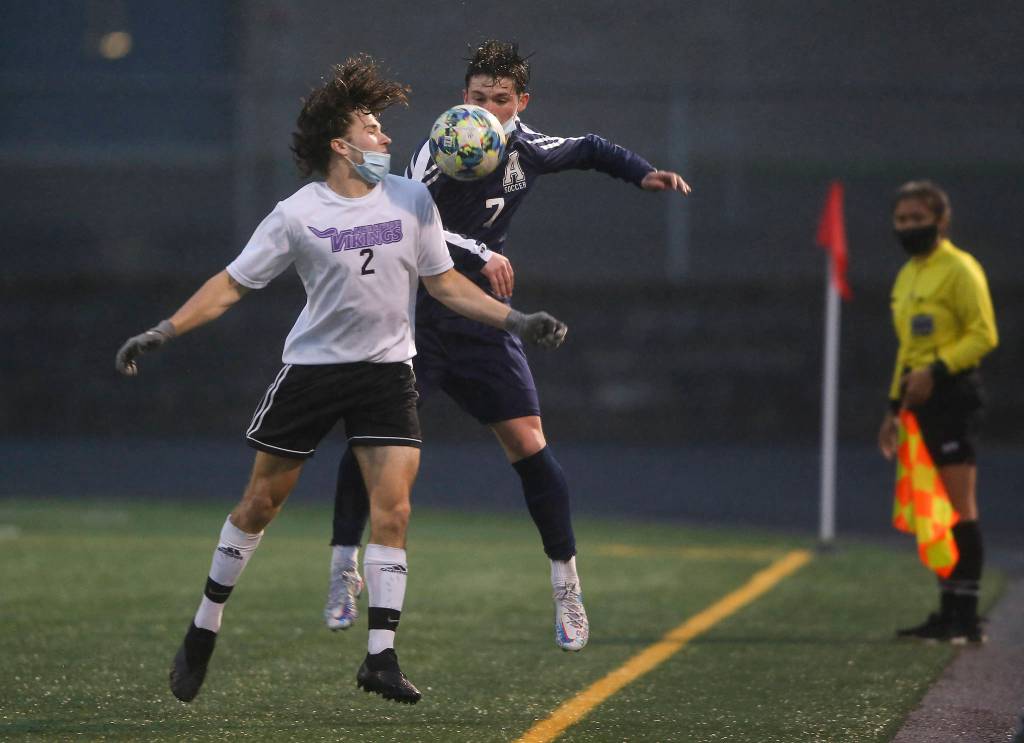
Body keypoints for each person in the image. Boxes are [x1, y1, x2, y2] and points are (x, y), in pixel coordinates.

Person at [114, 55, 567, 705]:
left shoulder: (411, 199)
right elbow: (230, 286)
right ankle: (203, 627)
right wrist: (165, 328)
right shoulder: (297, 213)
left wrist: (519, 319)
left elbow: (444, 286)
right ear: (341, 145)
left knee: (396, 508)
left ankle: (380, 656)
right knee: (259, 505)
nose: (386, 138)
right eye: (373, 129)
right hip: (313, 370)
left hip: (387, 374)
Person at [324, 40, 691, 652]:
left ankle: (567, 587)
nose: (485, 111)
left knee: (529, 445)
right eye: (476, 97)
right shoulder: (436, 152)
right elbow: (415, 225)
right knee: (373, 439)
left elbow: (592, 148)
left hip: (485, 323)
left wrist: (641, 172)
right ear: (461, 98)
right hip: (419, 315)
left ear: (521, 103)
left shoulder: (527, 148)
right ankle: (342, 567)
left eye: (499, 100)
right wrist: (483, 252)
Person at [878, 180, 998, 644]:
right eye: (902, 220)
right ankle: (947, 611)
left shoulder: (960, 269)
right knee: (936, 508)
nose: (909, 227)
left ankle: (965, 618)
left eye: (918, 218)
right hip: (918, 404)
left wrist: (938, 369)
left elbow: (984, 334)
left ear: (941, 221)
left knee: (960, 506)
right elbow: (907, 350)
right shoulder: (909, 275)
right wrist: (893, 408)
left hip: (953, 397)